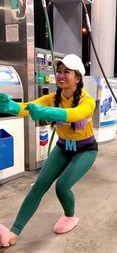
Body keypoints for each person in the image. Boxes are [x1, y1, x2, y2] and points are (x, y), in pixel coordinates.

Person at [0, 54, 98, 247]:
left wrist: (46, 112)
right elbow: (28, 107)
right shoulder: (53, 98)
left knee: (62, 186)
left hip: (85, 150)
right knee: (39, 186)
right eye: (59, 71)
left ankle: (70, 216)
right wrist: (11, 106)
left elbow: (74, 114)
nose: (61, 76)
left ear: (77, 77)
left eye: (66, 72)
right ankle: (14, 232)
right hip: (62, 147)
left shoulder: (88, 101)